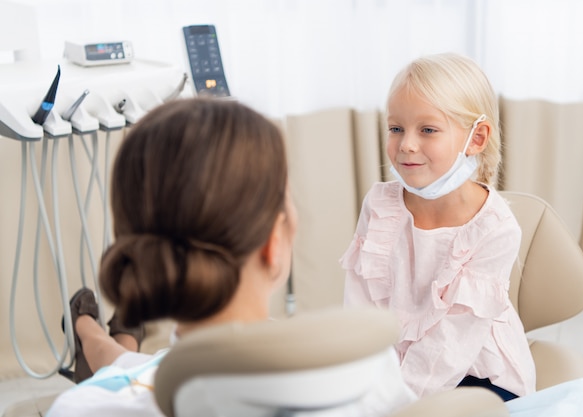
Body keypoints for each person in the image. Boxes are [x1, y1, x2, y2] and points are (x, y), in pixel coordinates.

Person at [46, 97, 415, 417]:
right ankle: (100, 338)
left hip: (164, 373)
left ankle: (87, 331)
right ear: (273, 242)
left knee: (128, 368)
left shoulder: (85, 409)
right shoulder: (367, 375)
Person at [341, 53, 536, 402]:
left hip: (478, 374)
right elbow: (361, 307)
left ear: (476, 139)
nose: (406, 144)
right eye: (396, 128)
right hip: (395, 369)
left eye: (427, 130)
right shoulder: (379, 205)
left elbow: (451, 345)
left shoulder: (495, 228)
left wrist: (396, 404)